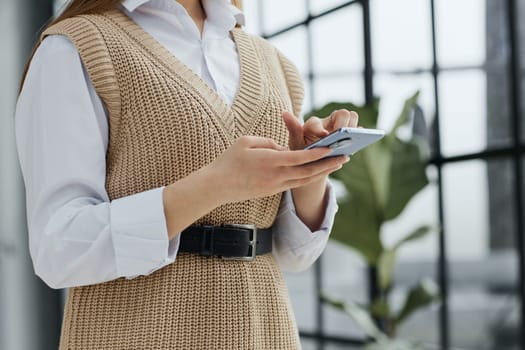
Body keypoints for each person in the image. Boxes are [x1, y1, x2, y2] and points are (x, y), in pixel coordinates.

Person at [15, 0, 359, 349]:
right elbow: (58, 248)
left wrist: (311, 171)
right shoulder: (75, 49)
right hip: (136, 335)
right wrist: (215, 185)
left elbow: (294, 254)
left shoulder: (274, 63)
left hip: (266, 331)